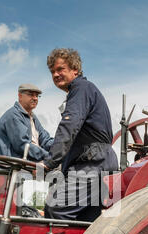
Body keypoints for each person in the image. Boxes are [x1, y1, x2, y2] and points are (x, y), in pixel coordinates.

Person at [43, 48, 118, 222]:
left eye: (60, 69)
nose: (55, 74)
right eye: (52, 71)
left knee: (56, 208)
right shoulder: (82, 91)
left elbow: (69, 125)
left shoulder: (81, 88)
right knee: (85, 219)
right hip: (96, 162)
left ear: (74, 69)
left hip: (92, 163)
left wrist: (49, 162)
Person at [0, 83, 53, 161]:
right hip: (13, 167)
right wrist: (49, 157)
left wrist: (62, 145)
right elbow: (22, 145)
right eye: (31, 95)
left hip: (32, 165)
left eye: (37, 95)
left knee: (59, 171)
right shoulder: (13, 115)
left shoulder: (32, 117)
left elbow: (45, 139)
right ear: (20, 96)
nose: (35, 98)